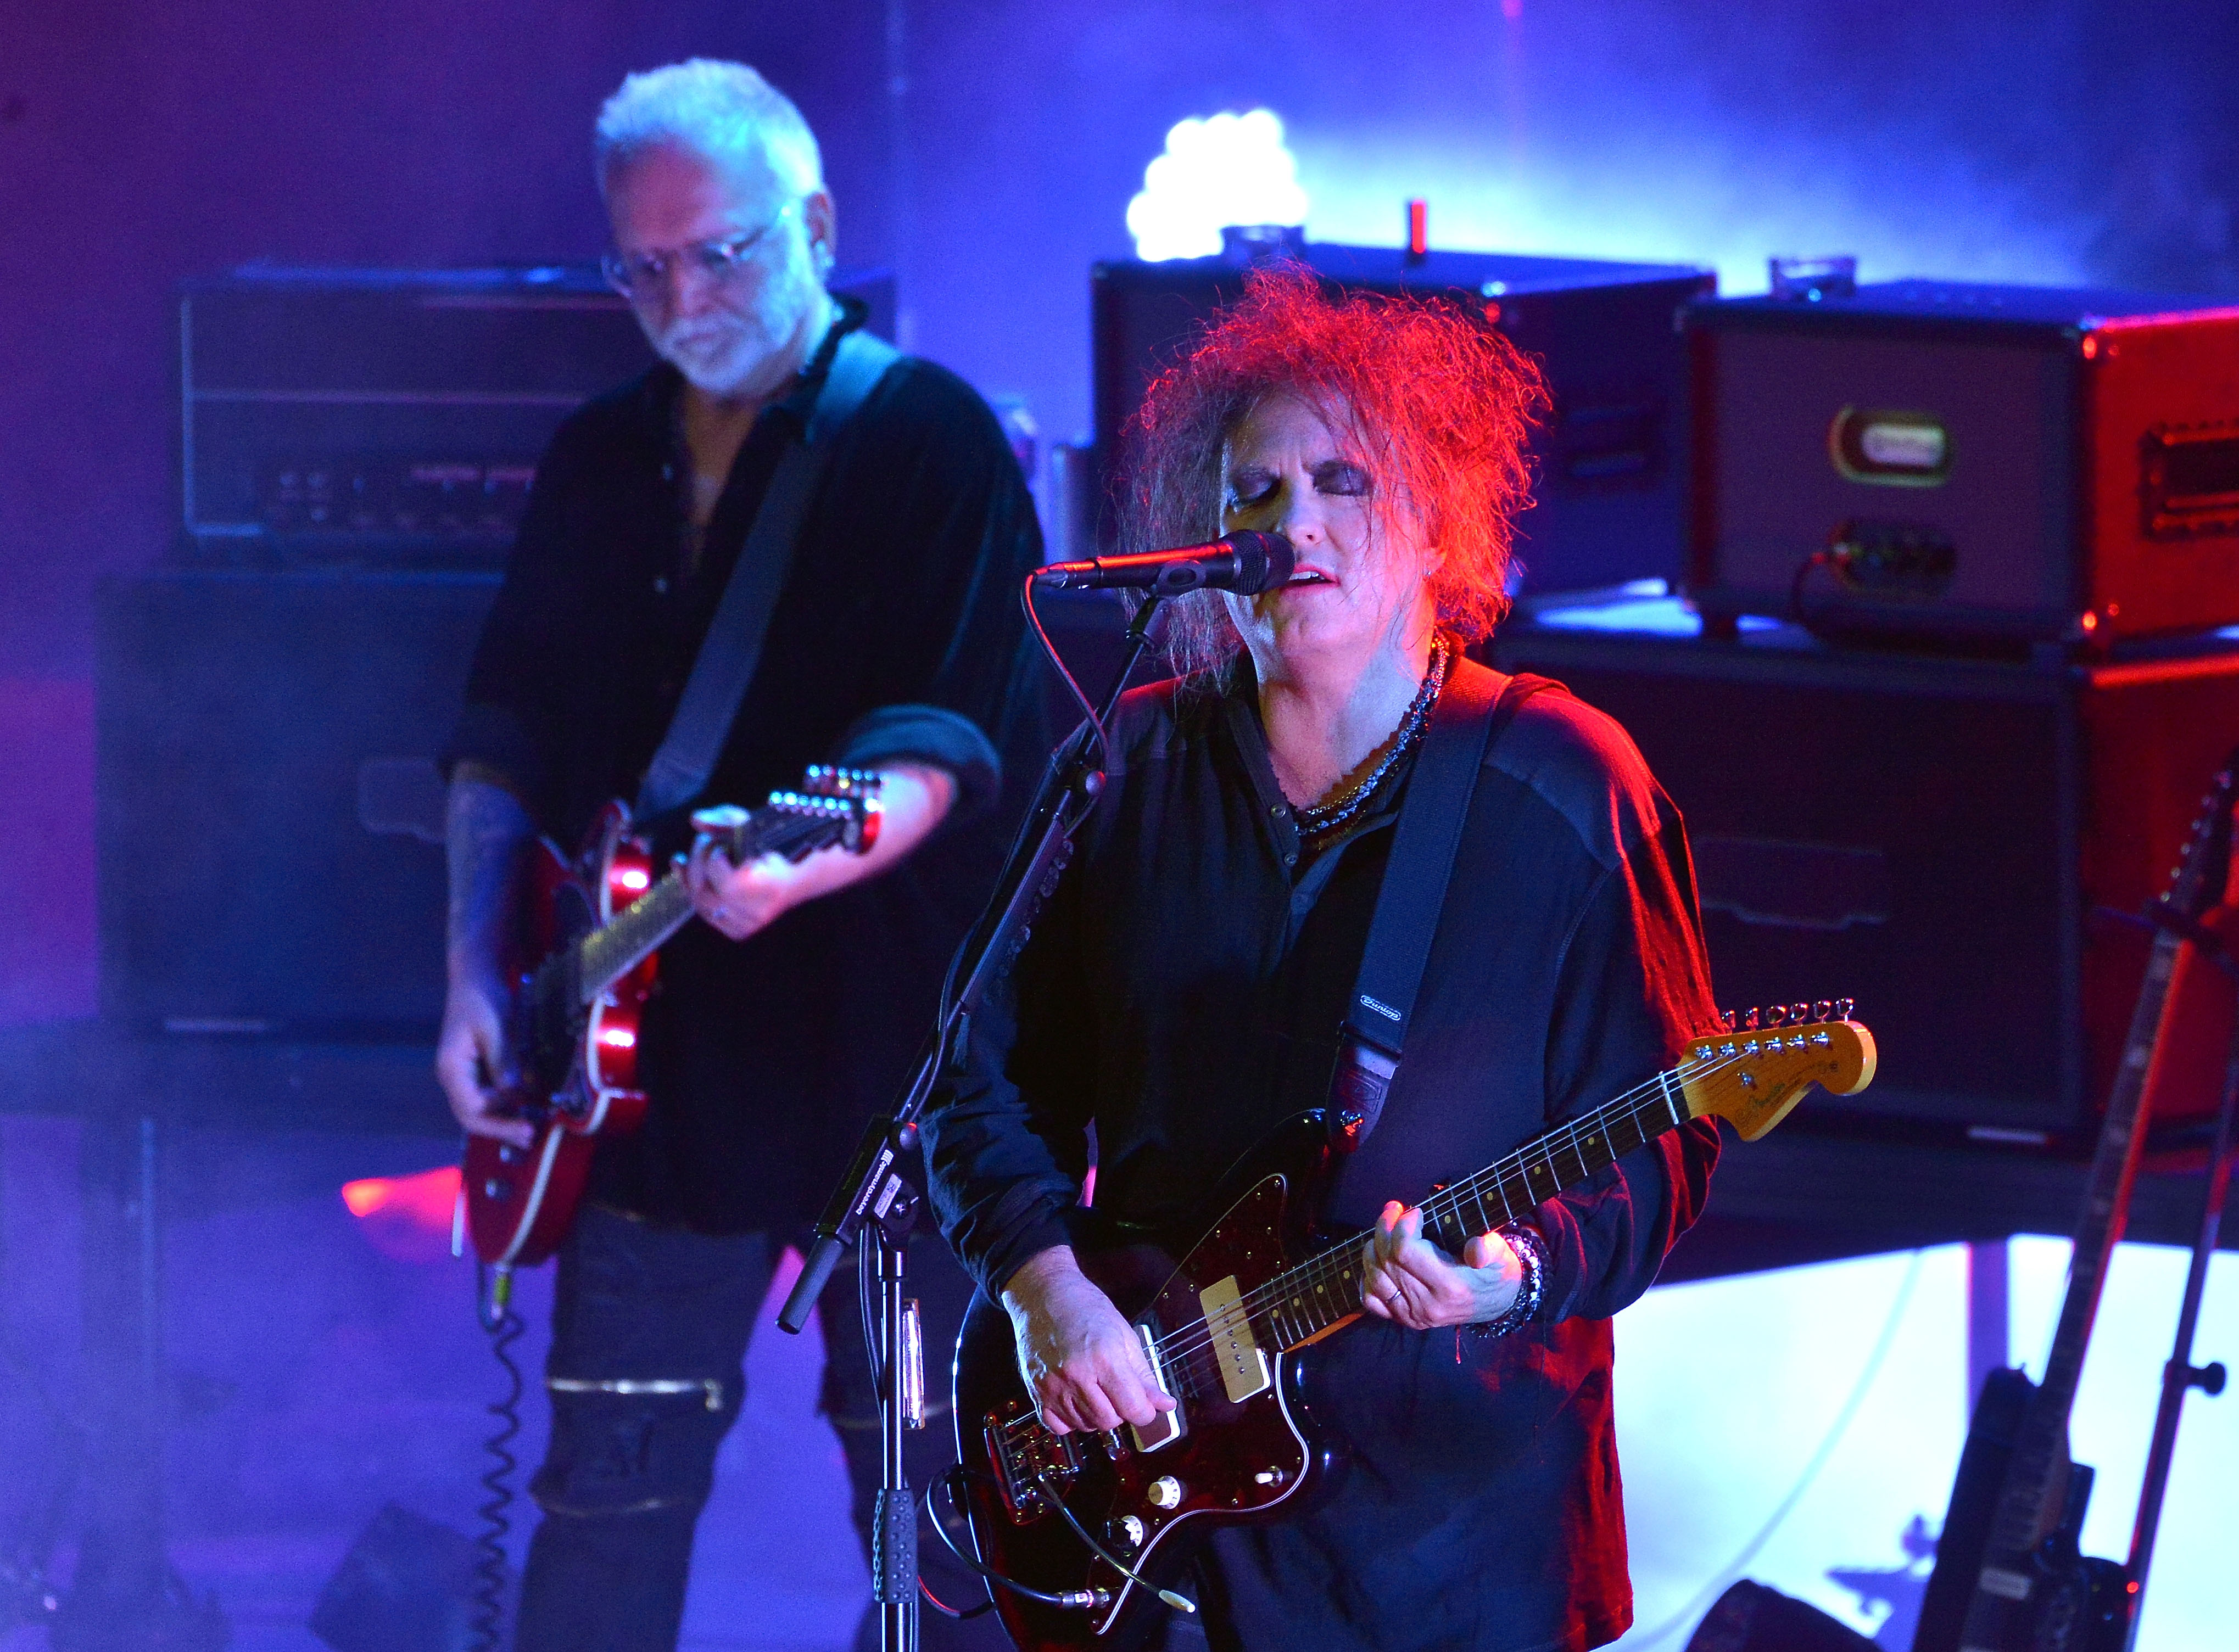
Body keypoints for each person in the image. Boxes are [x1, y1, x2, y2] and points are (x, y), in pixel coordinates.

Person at [925, 265, 1726, 1651]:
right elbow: (973, 1079)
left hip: (1455, 1547)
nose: (1290, 522)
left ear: (1440, 519)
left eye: (1342, 481)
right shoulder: (1126, 766)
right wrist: (1049, 1292)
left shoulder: (1565, 785)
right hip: (1167, 1530)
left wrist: (1514, 1272)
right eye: (1254, 491)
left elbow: (1667, 1131)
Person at [434, 60, 1040, 1652]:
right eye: (641, 266)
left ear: (818, 224)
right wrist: (472, 973)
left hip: (892, 1066)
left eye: (719, 252)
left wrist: (802, 865)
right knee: (604, 1504)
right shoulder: (595, 459)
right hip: (646, 1075)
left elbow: (950, 747)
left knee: (935, 1519)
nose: (680, 298)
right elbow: (503, 731)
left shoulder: (929, 442)